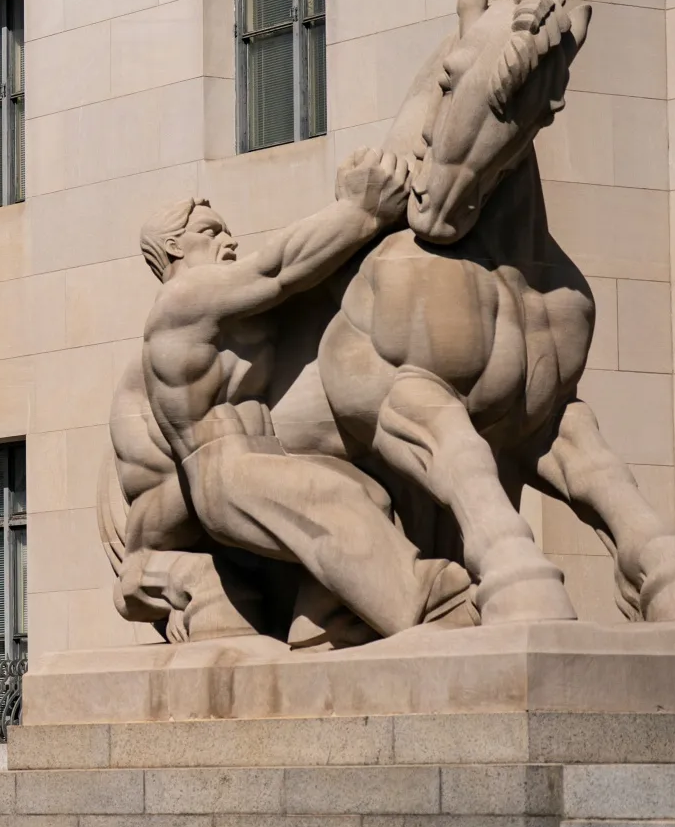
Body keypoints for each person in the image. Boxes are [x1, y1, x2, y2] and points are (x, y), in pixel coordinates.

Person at [138, 147, 473, 641]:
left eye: (227, 229)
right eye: (210, 232)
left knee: (372, 494)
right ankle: (429, 609)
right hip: (224, 469)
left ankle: (320, 626)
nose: (229, 240)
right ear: (172, 248)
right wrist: (361, 211)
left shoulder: (225, 311)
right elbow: (275, 272)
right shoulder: (181, 299)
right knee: (332, 497)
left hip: (265, 458)